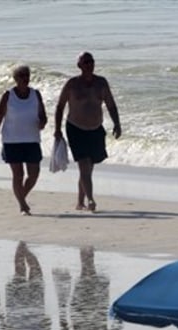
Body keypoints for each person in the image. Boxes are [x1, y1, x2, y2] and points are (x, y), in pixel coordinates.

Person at [54, 51, 122, 212]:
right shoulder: (72, 84)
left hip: (95, 129)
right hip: (75, 128)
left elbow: (111, 105)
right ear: (79, 65)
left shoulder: (101, 83)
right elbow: (60, 106)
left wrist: (117, 124)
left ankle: (80, 202)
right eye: (86, 62)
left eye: (91, 61)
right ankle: (91, 200)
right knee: (84, 165)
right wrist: (57, 129)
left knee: (88, 168)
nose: (89, 65)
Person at [0, 65, 47, 215]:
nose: (25, 79)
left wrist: (42, 122)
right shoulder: (8, 96)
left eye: (27, 75)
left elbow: (43, 116)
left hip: (32, 140)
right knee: (18, 175)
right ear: (15, 79)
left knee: (34, 174)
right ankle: (22, 204)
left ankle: (21, 197)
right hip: (12, 141)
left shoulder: (36, 94)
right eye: (21, 76)